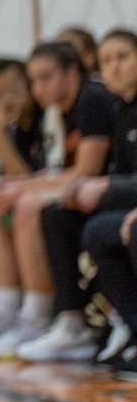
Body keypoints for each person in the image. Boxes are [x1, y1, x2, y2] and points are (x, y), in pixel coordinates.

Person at [0, 40, 114, 357]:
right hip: (77, 193)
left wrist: (25, 187)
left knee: (30, 203)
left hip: (105, 192)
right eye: (34, 80)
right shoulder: (56, 112)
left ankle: (38, 316)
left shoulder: (91, 99)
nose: (38, 87)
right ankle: (5, 310)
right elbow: (53, 171)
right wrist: (18, 185)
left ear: (71, 72)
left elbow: (86, 170)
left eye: (46, 77)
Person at [28, 29, 137, 363]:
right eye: (106, 60)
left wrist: (104, 187)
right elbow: (119, 169)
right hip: (127, 196)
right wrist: (82, 188)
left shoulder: (95, 99)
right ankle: (78, 321)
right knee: (60, 215)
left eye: (122, 57)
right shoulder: (119, 108)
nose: (114, 67)